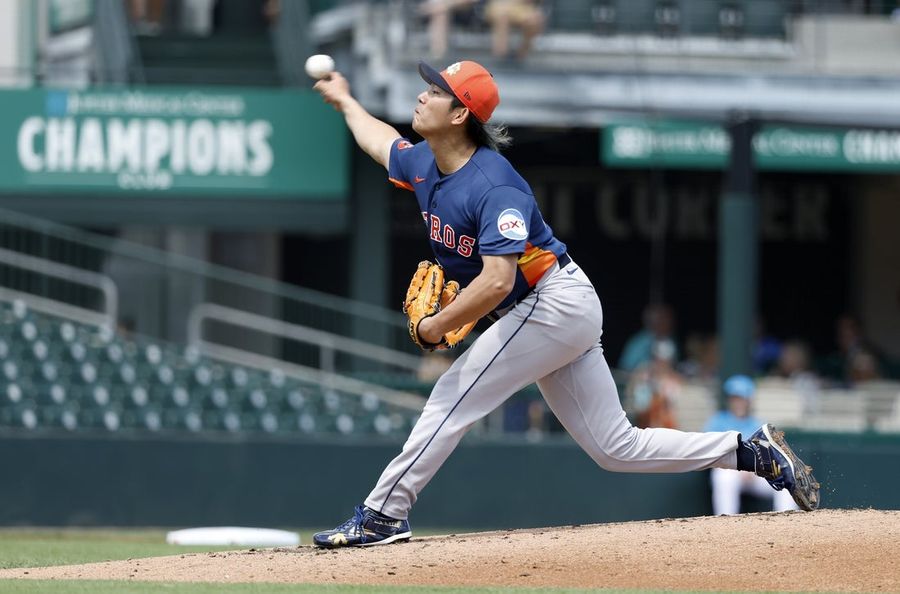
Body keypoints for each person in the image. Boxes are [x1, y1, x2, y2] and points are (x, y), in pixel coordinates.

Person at [310, 59, 820, 548]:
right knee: (615, 448)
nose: (422, 95)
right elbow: (383, 143)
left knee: (451, 397)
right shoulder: (425, 162)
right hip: (545, 311)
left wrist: (433, 327)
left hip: (553, 301)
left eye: (436, 90)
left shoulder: (494, 185)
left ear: (461, 114)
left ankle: (383, 515)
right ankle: (749, 450)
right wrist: (346, 101)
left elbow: (495, 282)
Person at [704, 375, 798, 516]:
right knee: (722, 477)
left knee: (785, 481)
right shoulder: (718, 421)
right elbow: (709, 453)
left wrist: (753, 470)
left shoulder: (758, 424)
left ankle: (787, 526)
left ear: (749, 401)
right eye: (735, 398)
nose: (739, 403)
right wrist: (739, 469)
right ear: (729, 399)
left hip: (756, 474)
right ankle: (724, 525)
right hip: (729, 471)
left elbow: (769, 456)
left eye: (742, 398)